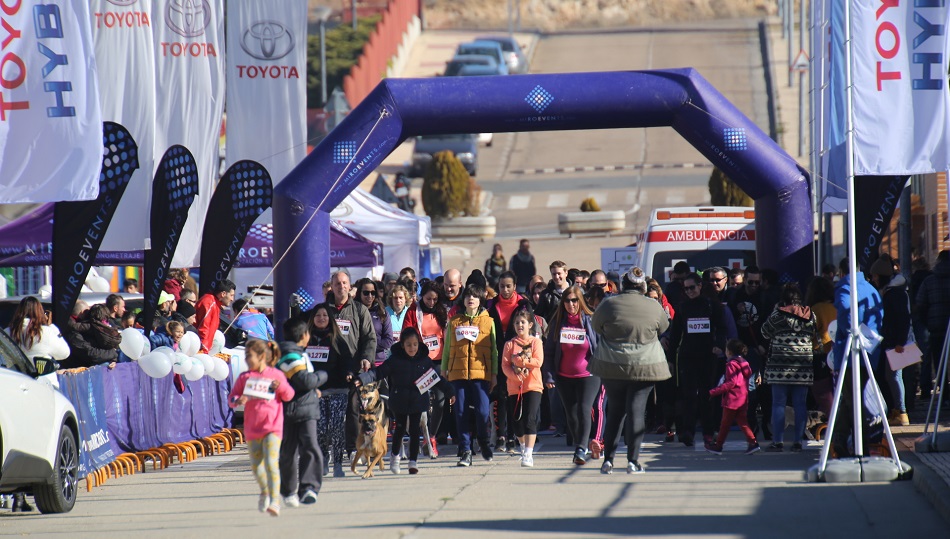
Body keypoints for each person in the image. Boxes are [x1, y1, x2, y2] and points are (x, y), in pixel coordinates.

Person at [590, 267, 671, 474]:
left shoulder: (608, 304)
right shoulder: (653, 305)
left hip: (612, 365)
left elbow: (596, 326)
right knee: (636, 412)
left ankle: (608, 460)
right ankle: (633, 461)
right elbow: (663, 328)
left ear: (623, 284)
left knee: (615, 411)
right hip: (645, 365)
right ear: (643, 286)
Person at [356, 327, 455, 475]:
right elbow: (379, 372)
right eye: (408, 344)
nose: (412, 348)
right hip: (399, 400)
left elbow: (436, 379)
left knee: (415, 431)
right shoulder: (395, 360)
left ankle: (413, 461)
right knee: (400, 429)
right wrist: (362, 379)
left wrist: (450, 391)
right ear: (402, 345)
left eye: (415, 344)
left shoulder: (424, 360)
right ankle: (395, 457)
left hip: (418, 400)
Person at [228, 339, 294, 516]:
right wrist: (238, 400)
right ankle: (265, 490)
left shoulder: (276, 375)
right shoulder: (244, 378)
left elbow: (289, 395)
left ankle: (275, 501)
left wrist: (280, 388)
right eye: (246, 356)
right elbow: (231, 398)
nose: (247, 360)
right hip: (252, 429)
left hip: (272, 427)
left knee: (271, 464)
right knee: (257, 467)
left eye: (250, 356)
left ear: (262, 356)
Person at [665, 272, 727, 446]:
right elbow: (676, 335)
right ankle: (688, 432)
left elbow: (722, 329)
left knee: (707, 395)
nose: (689, 291)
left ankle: (708, 431)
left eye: (692, 287)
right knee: (689, 395)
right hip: (688, 356)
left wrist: (719, 345)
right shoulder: (683, 307)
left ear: (700, 286)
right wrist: (671, 359)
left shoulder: (712, 306)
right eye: (686, 289)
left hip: (708, 356)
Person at [543, 285, 601, 465]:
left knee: (584, 409)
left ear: (580, 301)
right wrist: (550, 376)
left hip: (589, 374)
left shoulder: (591, 320)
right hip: (564, 376)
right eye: (567, 301)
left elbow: (600, 346)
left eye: (574, 300)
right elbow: (550, 352)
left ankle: (581, 449)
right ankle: (584, 441)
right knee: (572, 416)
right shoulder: (558, 322)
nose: (571, 304)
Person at [831, 257, 884, 457]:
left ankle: (858, 444)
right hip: (870, 351)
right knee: (851, 398)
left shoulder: (845, 288)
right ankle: (841, 441)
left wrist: (849, 331)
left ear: (842, 272)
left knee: (852, 400)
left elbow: (846, 316)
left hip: (850, 352)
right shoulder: (870, 289)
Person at [323, 271, 376, 462]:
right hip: (328, 368)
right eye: (337, 283)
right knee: (326, 410)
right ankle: (327, 448)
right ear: (332, 286)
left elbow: (370, 337)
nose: (341, 286)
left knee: (352, 408)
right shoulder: (323, 310)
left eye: (344, 283)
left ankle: (352, 448)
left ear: (350, 286)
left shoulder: (359, 310)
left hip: (353, 368)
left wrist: (366, 358)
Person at [443, 284, 497, 467]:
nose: (470, 299)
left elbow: (494, 350)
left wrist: (494, 374)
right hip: (458, 373)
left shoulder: (488, 321)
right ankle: (465, 450)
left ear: (480, 299)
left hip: (481, 374)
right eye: (467, 296)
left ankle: (483, 439)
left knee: (482, 412)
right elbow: (447, 349)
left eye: (474, 296)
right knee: (460, 412)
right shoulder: (455, 321)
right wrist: (444, 369)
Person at [760, 283, 817, 452]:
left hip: (779, 367)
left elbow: (764, 332)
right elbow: (814, 333)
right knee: (800, 404)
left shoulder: (778, 315)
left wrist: (774, 311)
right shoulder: (810, 315)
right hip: (803, 367)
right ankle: (798, 441)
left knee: (778, 404)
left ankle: (778, 441)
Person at [277, 318, 327, 507]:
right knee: (297, 449)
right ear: (303, 336)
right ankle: (294, 489)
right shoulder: (289, 356)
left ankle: (306, 489)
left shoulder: (298, 354)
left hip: (304, 407)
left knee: (305, 447)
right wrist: (322, 376)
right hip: (296, 409)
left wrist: (313, 390)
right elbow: (304, 381)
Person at [486, 271, 533, 453]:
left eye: (508, 286)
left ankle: (515, 435)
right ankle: (501, 435)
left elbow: (530, 330)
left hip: (518, 356)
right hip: (497, 355)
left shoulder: (523, 304)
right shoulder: (491, 305)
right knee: (499, 396)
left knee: (515, 396)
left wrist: (525, 356)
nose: (505, 290)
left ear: (514, 287)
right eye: (501, 286)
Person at [307, 303, 354, 478]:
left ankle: (339, 463)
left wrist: (349, 373)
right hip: (315, 391)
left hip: (337, 389)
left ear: (330, 319)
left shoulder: (337, 339)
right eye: (318, 316)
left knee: (336, 427)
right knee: (320, 428)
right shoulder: (306, 339)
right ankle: (323, 459)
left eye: (325, 315)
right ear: (313, 319)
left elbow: (347, 360)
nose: (321, 319)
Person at [405, 281, 450, 457]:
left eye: (435, 299)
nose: (431, 302)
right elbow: (406, 334)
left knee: (440, 400)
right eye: (428, 298)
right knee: (421, 401)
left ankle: (431, 437)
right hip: (421, 363)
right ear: (422, 296)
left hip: (439, 362)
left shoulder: (441, 311)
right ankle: (417, 435)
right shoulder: (413, 311)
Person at [869, 256, 911, 426]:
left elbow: (903, 319)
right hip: (895, 340)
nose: (874, 279)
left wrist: (900, 341)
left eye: (876, 276)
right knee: (892, 375)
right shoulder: (892, 292)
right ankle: (899, 410)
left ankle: (901, 412)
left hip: (898, 342)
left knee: (894, 376)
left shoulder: (895, 294)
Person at [501, 310, 544, 467]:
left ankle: (528, 454)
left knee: (530, 418)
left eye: (523, 322)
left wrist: (519, 361)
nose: (520, 325)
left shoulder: (536, 343)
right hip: (514, 386)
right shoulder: (509, 344)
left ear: (530, 325)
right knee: (517, 422)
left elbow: (538, 362)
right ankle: (522, 445)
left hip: (533, 385)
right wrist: (514, 376)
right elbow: (505, 365)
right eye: (517, 323)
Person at [706, 340, 760, 455]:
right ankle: (753, 443)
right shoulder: (744, 363)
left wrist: (713, 392)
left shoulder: (731, 364)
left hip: (732, 399)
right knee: (743, 422)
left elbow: (731, 382)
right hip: (742, 398)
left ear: (729, 352)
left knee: (725, 424)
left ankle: (718, 446)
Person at [6, 296, 69, 385]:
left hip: (16, 382)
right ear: (40, 312)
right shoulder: (46, 332)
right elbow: (64, 353)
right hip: (45, 383)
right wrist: (53, 328)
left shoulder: (7, 332)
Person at [916, 250, 950, 406]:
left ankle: (944, 396)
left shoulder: (929, 281)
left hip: (936, 328)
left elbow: (920, 305)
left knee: (940, 364)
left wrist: (927, 323)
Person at [62, 302, 121, 370]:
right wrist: (113, 353)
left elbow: (102, 346)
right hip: (77, 373)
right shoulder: (73, 332)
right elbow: (90, 354)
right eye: (88, 312)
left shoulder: (89, 329)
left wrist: (112, 360)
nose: (90, 314)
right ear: (82, 313)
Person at [353, 278, 394, 367]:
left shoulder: (382, 312)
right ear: (359, 293)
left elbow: (389, 339)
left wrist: (369, 347)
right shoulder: (352, 311)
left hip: (378, 361)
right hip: (356, 360)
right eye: (366, 293)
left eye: (373, 293)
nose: (370, 296)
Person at [195, 279, 236, 353]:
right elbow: (203, 328)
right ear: (223, 294)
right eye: (231, 295)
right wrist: (204, 350)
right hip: (199, 350)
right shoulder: (209, 302)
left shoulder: (215, 304)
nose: (232, 299)